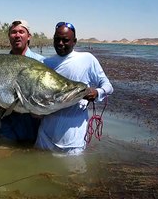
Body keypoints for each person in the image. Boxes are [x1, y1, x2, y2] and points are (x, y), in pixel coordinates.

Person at [34, 22, 113, 156]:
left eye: (65, 40)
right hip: (45, 136)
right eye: (57, 39)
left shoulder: (87, 59)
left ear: (74, 41)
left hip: (73, 140)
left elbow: (108, 86)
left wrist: (97, 92)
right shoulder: (45, 64)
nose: (60, 43)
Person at [0, 20, 45, 145]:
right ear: (9, 36)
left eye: (21, 32)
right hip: (7, 129)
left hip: (35, 130)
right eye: (13, 32)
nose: (17, 35)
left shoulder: (42, 63)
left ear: (29, 36)